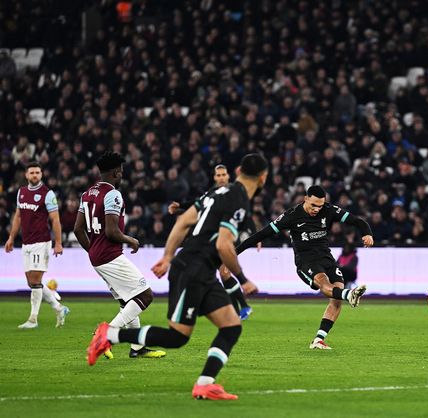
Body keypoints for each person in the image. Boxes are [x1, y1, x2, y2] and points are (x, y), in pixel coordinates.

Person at [86, 153, 268, 400]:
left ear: (237, 171)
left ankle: (205, 384)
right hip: (193, 271)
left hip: (197, 269)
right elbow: (224, 246)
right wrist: (243, 279)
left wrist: (169, 256)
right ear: (263, 178)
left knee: (231, 327)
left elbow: (183, 220)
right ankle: (109, 335)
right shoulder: (239, 200)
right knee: (177, 337)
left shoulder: (215, 193)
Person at [237, 185, 371, 350]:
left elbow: (357, 221)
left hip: (326, 257)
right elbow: (261, 234)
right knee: (323, 283)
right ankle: (349, 294)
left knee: (336, 300)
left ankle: (318, 340)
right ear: (306, 199)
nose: (317, 209)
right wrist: (234, 253)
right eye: (313, 205)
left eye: (320, 206)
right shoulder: (291, 216)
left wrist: (367, 232)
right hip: (306, 261)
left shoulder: (329, 210)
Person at [74, 152, 165, 359]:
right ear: (116, 172)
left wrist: (93, 249)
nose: (122, 174)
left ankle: (137, 348)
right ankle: (106, 334)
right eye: (121, 171)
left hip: (97, 256)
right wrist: (131, 240)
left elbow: (78, 229)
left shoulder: (87, 194)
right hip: (110, 255)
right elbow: (111, 232)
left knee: (128, 300)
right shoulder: (112, 194)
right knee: (145, 295)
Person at [168, 164, 253, 320]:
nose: (221, 178)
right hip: (216, 238)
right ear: (214, 178)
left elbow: (246, 214)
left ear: (228, 176)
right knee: (223, 273)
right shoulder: (213, 193)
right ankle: (239, 308)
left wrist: (253, 235)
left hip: (229, 236)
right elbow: (198, 204)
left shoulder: (235, 192)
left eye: (223, 174)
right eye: (218, 175)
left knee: (224, 272)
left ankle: (243, 307)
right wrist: (180, 207)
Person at [4, 162, 69, 329]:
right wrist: (11, 238)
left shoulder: (47, 194)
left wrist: (58, 243)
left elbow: (55, 219)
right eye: (31, 172)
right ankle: (59, 308)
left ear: (41, 174)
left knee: (35, 280)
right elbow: (18, 217)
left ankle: (33, 319)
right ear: (26, 175)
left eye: (37, 172)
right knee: (31, 282)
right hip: (26, 243)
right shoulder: (22, 192)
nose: (34, 175)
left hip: (42, 242)